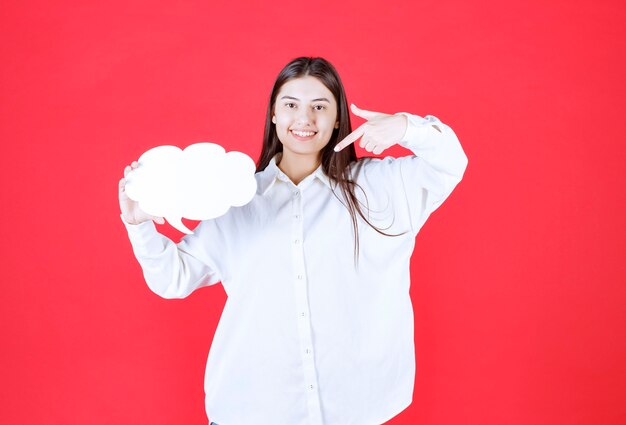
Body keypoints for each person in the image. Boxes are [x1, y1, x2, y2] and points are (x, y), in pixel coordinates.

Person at [118, 56, 468, 425]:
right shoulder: (237, 198)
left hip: (355, 410)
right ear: (273, 114)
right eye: (291, 105)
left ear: (337, 118)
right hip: (249, 408)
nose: (305, 119)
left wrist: (406, 127)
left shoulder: (383, 188)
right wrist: (138, 223)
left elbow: (449, 163)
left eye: (320, 106)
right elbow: (173, 278)